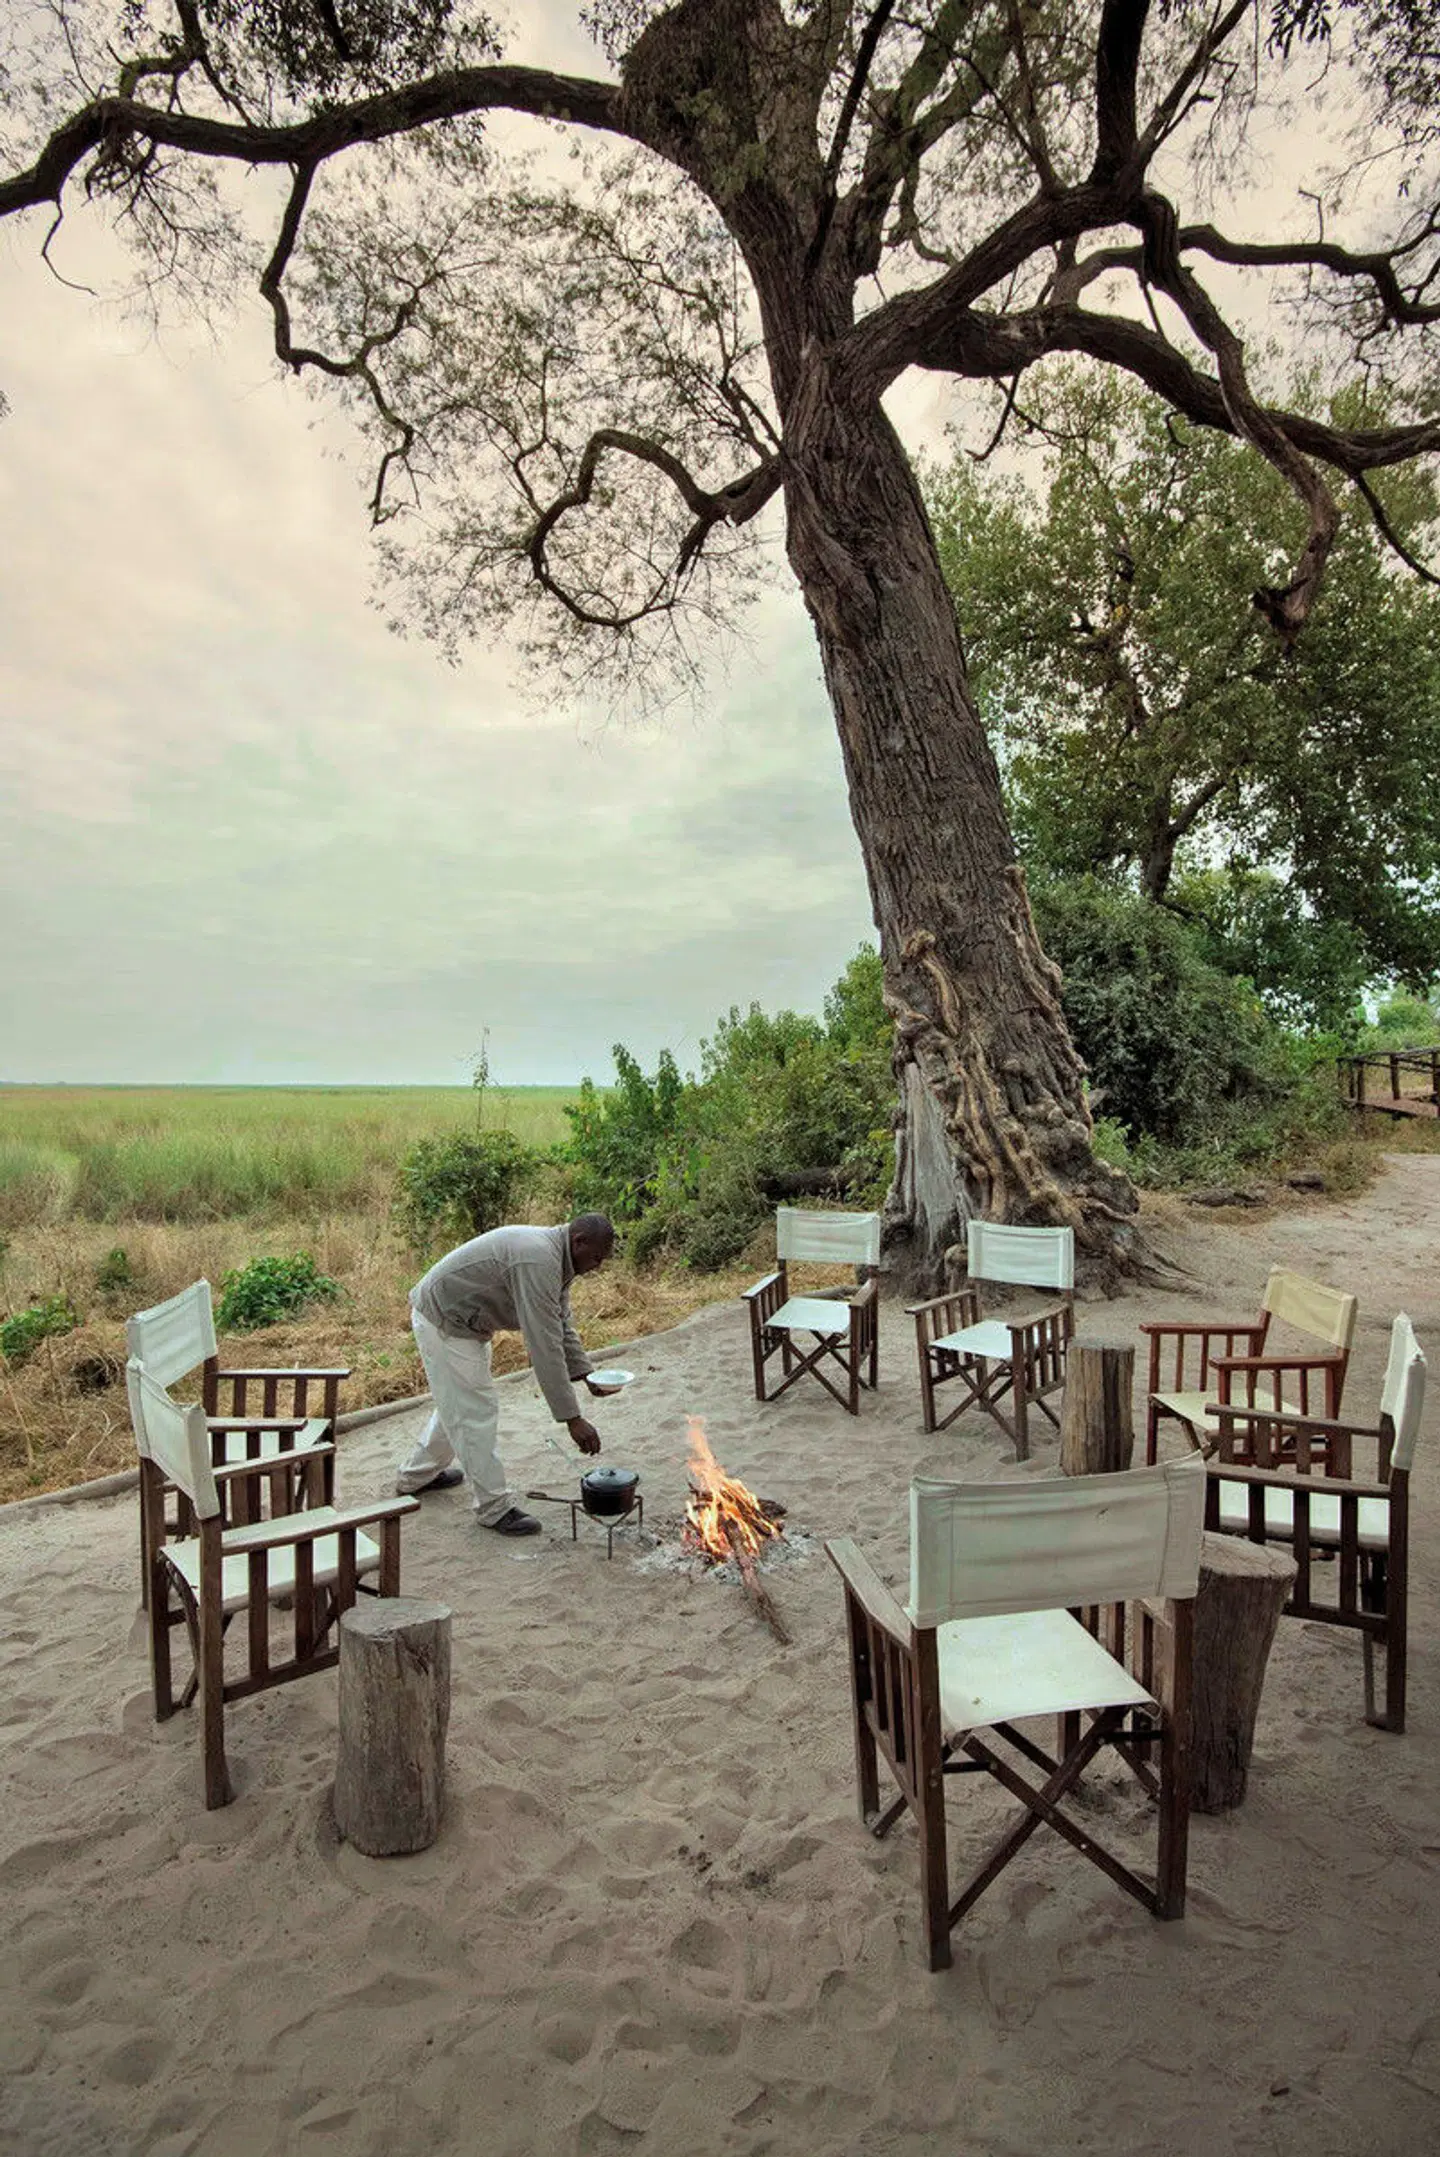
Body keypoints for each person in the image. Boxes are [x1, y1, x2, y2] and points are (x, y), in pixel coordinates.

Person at [394, 1212, 616, 1537]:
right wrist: (572, 1418)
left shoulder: (557, 1258)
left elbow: (560, 1322)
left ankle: (416, 1476)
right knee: (475, 1410)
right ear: (578, 1241)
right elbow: (544, 1344)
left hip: (466, 1324)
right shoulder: (539, 1261)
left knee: (459, 1403)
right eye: (597, 1257)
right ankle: (493, 1507)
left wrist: (586, 1374)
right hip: (445, 1320)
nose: (599, 1265)